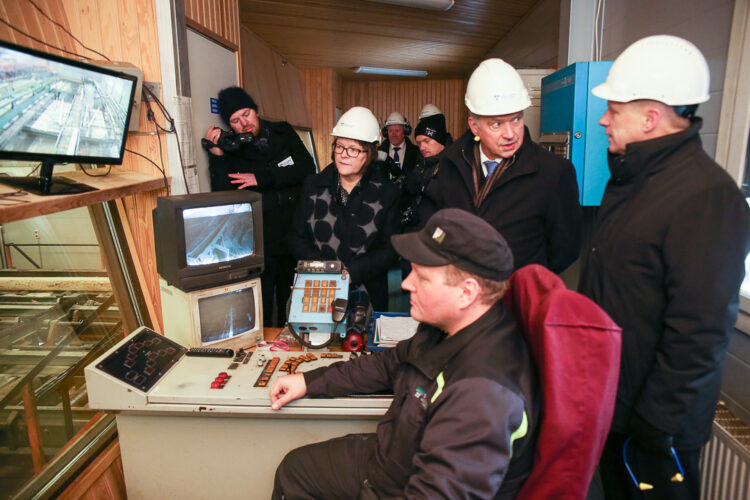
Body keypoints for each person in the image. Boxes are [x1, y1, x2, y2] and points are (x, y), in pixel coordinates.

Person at [578, 35, 750, 500]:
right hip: (613, 410)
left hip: (653, 428)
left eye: (614, 110)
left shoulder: (707, 197)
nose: (603, 119)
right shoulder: (633, 180)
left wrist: (653, 427)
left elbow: (699, 333)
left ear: (650, 118)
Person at [271, 208, 539, 499]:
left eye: (422, 278)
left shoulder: (482, 392)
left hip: (401, 486)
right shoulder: (444, 327)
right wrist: (310, 382)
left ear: (466, 292)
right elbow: (389, 363)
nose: (406, 283)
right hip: (394, 457)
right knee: (294, 471)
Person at [433, 58, 582, 274]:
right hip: (462, 296)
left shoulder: (554, 173)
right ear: (474, 126)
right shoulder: (450, 164)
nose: (510, 134)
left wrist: (525, 284)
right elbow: (438, 225)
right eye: (496, 123)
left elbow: (565, 249)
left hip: (519, 301)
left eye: (516, 119)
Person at [204, 86, 315, 327]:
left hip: (293, 232)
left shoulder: (283, 132)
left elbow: (307, 169)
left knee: (293, 299)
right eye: (235, 120)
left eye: (246, 114)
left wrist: (262, 178)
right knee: (261, 304)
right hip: (259, 239)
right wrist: (218, 156)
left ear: (255, 110)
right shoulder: (233, 150)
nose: (244, 123)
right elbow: (224, 193)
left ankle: (292, 342)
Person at [289, 106, 400, 312]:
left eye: (354, 149)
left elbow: (390, 249)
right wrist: (329, 270)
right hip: (319, 290)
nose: (344, 155)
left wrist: (352, 273)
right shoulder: (313, 186)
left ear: (369, 153)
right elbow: (297, 239)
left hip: (368, 296)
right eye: (339, 146)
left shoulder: (387, 193)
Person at [378, 111, 418, 182]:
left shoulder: (416, 152)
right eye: (390, 131)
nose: (394, 135)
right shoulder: (378, 153)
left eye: (397, 131)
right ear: (386, 133)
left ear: (405, 131)